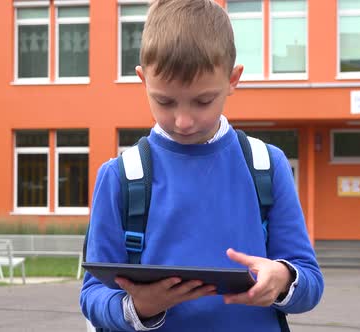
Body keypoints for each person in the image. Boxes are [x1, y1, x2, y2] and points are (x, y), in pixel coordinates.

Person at [80, 0, 323, 330]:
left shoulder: (267, 165)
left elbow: (309, 282)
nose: (183, 121)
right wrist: (138, 307)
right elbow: (92, 294)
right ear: (142, 80)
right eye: (164, 101)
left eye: (203, 101)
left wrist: (282, 278)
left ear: (233, 79)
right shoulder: (120, 176)